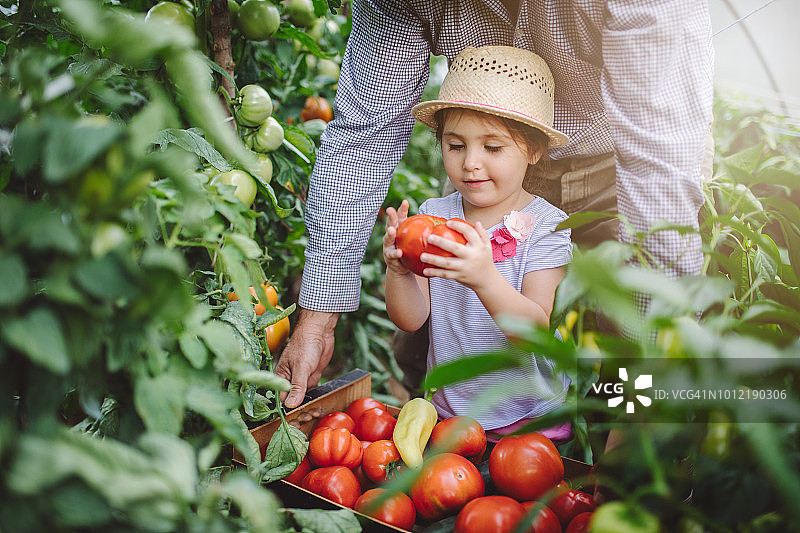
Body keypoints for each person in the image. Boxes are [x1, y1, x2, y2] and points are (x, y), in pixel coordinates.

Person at [275, 0, 714, 409]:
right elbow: (364, 136)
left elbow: (659, 170)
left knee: (618, 363)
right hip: (495, 176)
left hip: (613, 171)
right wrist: (318, 319)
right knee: (421, 352)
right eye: (454, 145)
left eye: (484, 147)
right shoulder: (450, 203)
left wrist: (649, 391)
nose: (469, 163)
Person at [382, 45, 573, 440]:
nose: (470, 162)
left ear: (534, 150)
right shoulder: (433, 215)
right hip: (451, 414)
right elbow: (410, 319)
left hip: (529, 419)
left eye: (492, 147)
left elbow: (535, 331)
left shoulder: (547, 227)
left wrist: (484, 277)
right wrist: (399, 271)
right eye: (456, 145)